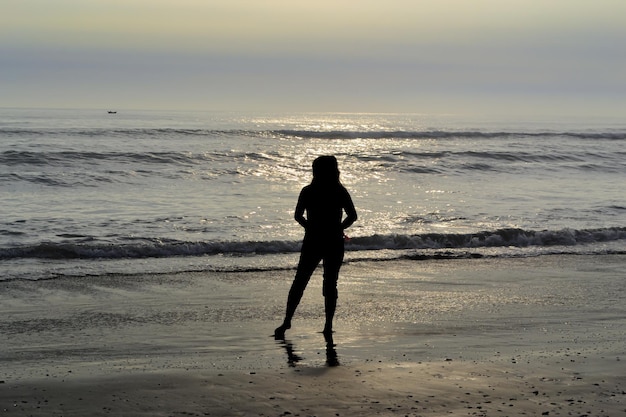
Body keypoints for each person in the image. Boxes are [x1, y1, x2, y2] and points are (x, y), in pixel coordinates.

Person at [275, 155, 357, 339]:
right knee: (330, 283)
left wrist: (310, 226)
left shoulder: (308, 191)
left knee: (300, 280)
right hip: (334, 241)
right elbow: (353, 216)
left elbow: (297, 216)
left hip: (313, 240)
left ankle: (287, 320)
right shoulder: (340, 191)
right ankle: (328, 325)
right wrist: (339, 228)